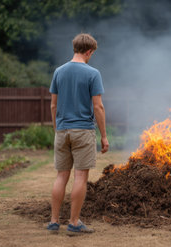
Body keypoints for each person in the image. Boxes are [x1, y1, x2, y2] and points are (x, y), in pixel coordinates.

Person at [46, 33, 109, 234]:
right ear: (89, 51)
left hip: (62, 130)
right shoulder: (92, 73)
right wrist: (104, 136)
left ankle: (54, 221)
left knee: (61, 176)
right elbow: (98, 107)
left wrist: (58, 129)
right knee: (80, 177)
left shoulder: (59, 72)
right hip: (83, 131)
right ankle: (73, 223)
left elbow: (53, 104)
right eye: (92, 54)